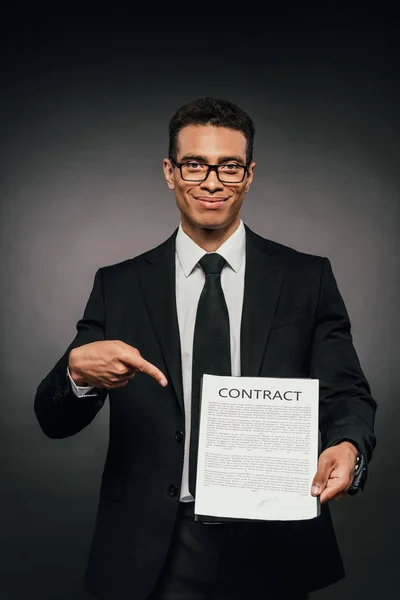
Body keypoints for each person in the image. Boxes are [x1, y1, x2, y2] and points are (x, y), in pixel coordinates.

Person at [34, 97, 377, 600]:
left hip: (274, 538)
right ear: (170, 172)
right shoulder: (119, 286)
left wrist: (348, 447)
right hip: (156, 543)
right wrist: (76, 375)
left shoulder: (307, 278)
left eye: (229, 167)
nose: (212, 182)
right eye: (195, 164)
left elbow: (347, 393)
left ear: (250, 174)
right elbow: (53, 420)